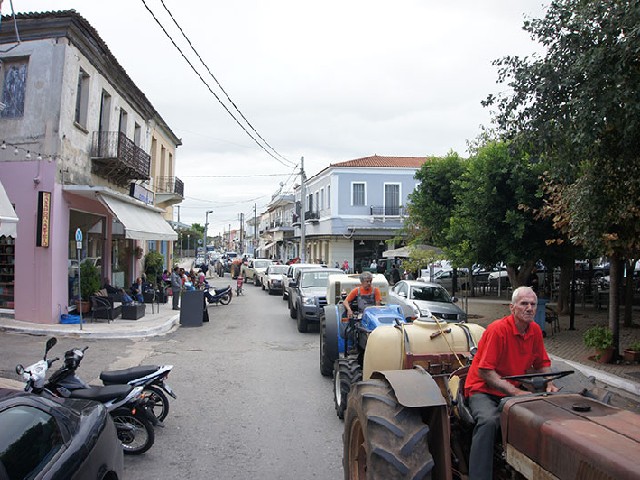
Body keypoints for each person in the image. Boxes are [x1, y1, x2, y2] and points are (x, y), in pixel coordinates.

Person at [464, 286, 558, 480]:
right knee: (489, 421)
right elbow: (485, 371)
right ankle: (479, 476)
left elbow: (542, 363)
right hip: (483, 389)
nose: (529, 308)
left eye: (533, 304)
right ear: (512, 307)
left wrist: (549, 383)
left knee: (544, 415)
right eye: (524, 304)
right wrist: (514, 393)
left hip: (512, 388)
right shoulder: (497, 330)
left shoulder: (535, 331)